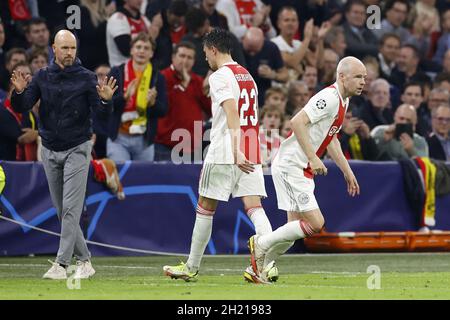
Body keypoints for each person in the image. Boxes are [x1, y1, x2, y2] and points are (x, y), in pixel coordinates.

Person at [163, 28, 273, 282]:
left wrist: (235, 147)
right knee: (255, 207)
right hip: (252, 146)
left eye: (205, 53)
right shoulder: (247, 76)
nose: (205, 59)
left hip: (227, 148)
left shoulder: (219, 76)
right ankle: (267, 266)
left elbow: (232, 111)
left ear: (213, 49)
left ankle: (191, 266)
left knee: (205, 205)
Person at [245, 56, 366, 284]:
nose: (363, 82)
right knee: (315, 224)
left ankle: (257, 269)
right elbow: (296, 122)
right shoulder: (329, 98)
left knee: (292, 231)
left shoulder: (344, 101)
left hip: (300, 167)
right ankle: (261, 243)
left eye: (364, 78)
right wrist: (313, 157)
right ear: (342, 76)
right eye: (358, 77)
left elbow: (331, 140)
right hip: (293, 165)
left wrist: (347, 171)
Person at [10, 30, 117, 280]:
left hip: (78, 148)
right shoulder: (41, 77)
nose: (69, 53)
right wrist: (17, 93)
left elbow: (102, 117)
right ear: (53, 49)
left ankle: (62, 264)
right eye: (65, 48)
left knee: (71, 208)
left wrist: (106, 102)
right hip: (49, 148)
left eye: (72, 48)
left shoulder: (88, 78)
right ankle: (85, 261)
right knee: (62, 210)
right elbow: (23, 106)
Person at [107, 32, 167, 162]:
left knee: (142, 181)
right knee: (121, 179)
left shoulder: (158, 77)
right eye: (138, 47)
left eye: (146, 48)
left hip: (144, 140)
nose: (142, 51)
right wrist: (123, 97)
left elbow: (163, 110)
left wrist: (153, 104)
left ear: (151, 53)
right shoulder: (117, 73)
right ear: (132, 50)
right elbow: (105, 105)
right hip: (118, 139)